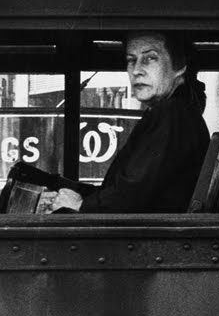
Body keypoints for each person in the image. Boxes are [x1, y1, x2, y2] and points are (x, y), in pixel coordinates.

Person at [49, 31, 210, 212]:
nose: (136, 71)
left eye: (150, 58)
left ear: (179, 65)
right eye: (131, 60)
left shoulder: (171, 113)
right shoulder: (179, 110)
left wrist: (80, 205)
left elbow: (132, 193)